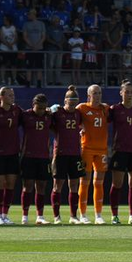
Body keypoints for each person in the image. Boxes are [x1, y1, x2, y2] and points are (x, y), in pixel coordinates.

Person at [109, 79, 132, 225]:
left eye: (131, 92)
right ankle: (114, 215)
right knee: (117, 184)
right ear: (121, 93)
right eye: (126, 92)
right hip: (119, 151)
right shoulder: (114, 110)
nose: (129, 94)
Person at [0, 85, 23, 225]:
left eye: (12, 95)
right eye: (9, 95)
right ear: (1, 97)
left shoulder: (17, 111)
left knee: (10, 184)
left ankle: (5, 214)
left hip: (13, 151)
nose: (12, 97)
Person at [77, 82, 111, 224]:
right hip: (87, 148)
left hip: (102, 149)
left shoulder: (105, 109)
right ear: (88, 95)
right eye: (94, 93)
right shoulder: (82, 108)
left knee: (99, 183)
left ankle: (98, 215)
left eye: (99, 93)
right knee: (85, 182)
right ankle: (83, 214)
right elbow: (71, 116)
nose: (97, 96)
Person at [51, 87, 85, 224]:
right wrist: (49, 110)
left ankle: (73, 216)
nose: (71, 106)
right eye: (70, 103)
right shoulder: (57, 112)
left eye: (74, 103)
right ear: (65, 101)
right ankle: (56, 216)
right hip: (60, 153)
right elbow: (48, 123)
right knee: (57, 185)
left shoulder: (78, 113)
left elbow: (83, 126)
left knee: (74, 185)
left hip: (75, 153)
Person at [19, 92, 53, 224]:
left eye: (44, 108)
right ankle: (25, 216)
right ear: (33, 105)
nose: (41, 111)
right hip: (28, 156)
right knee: (27, 186)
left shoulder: (49, 117)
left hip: (43, 156)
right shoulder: (26, 116)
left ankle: (40, 216)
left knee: (42, 186)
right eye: (39, 108)